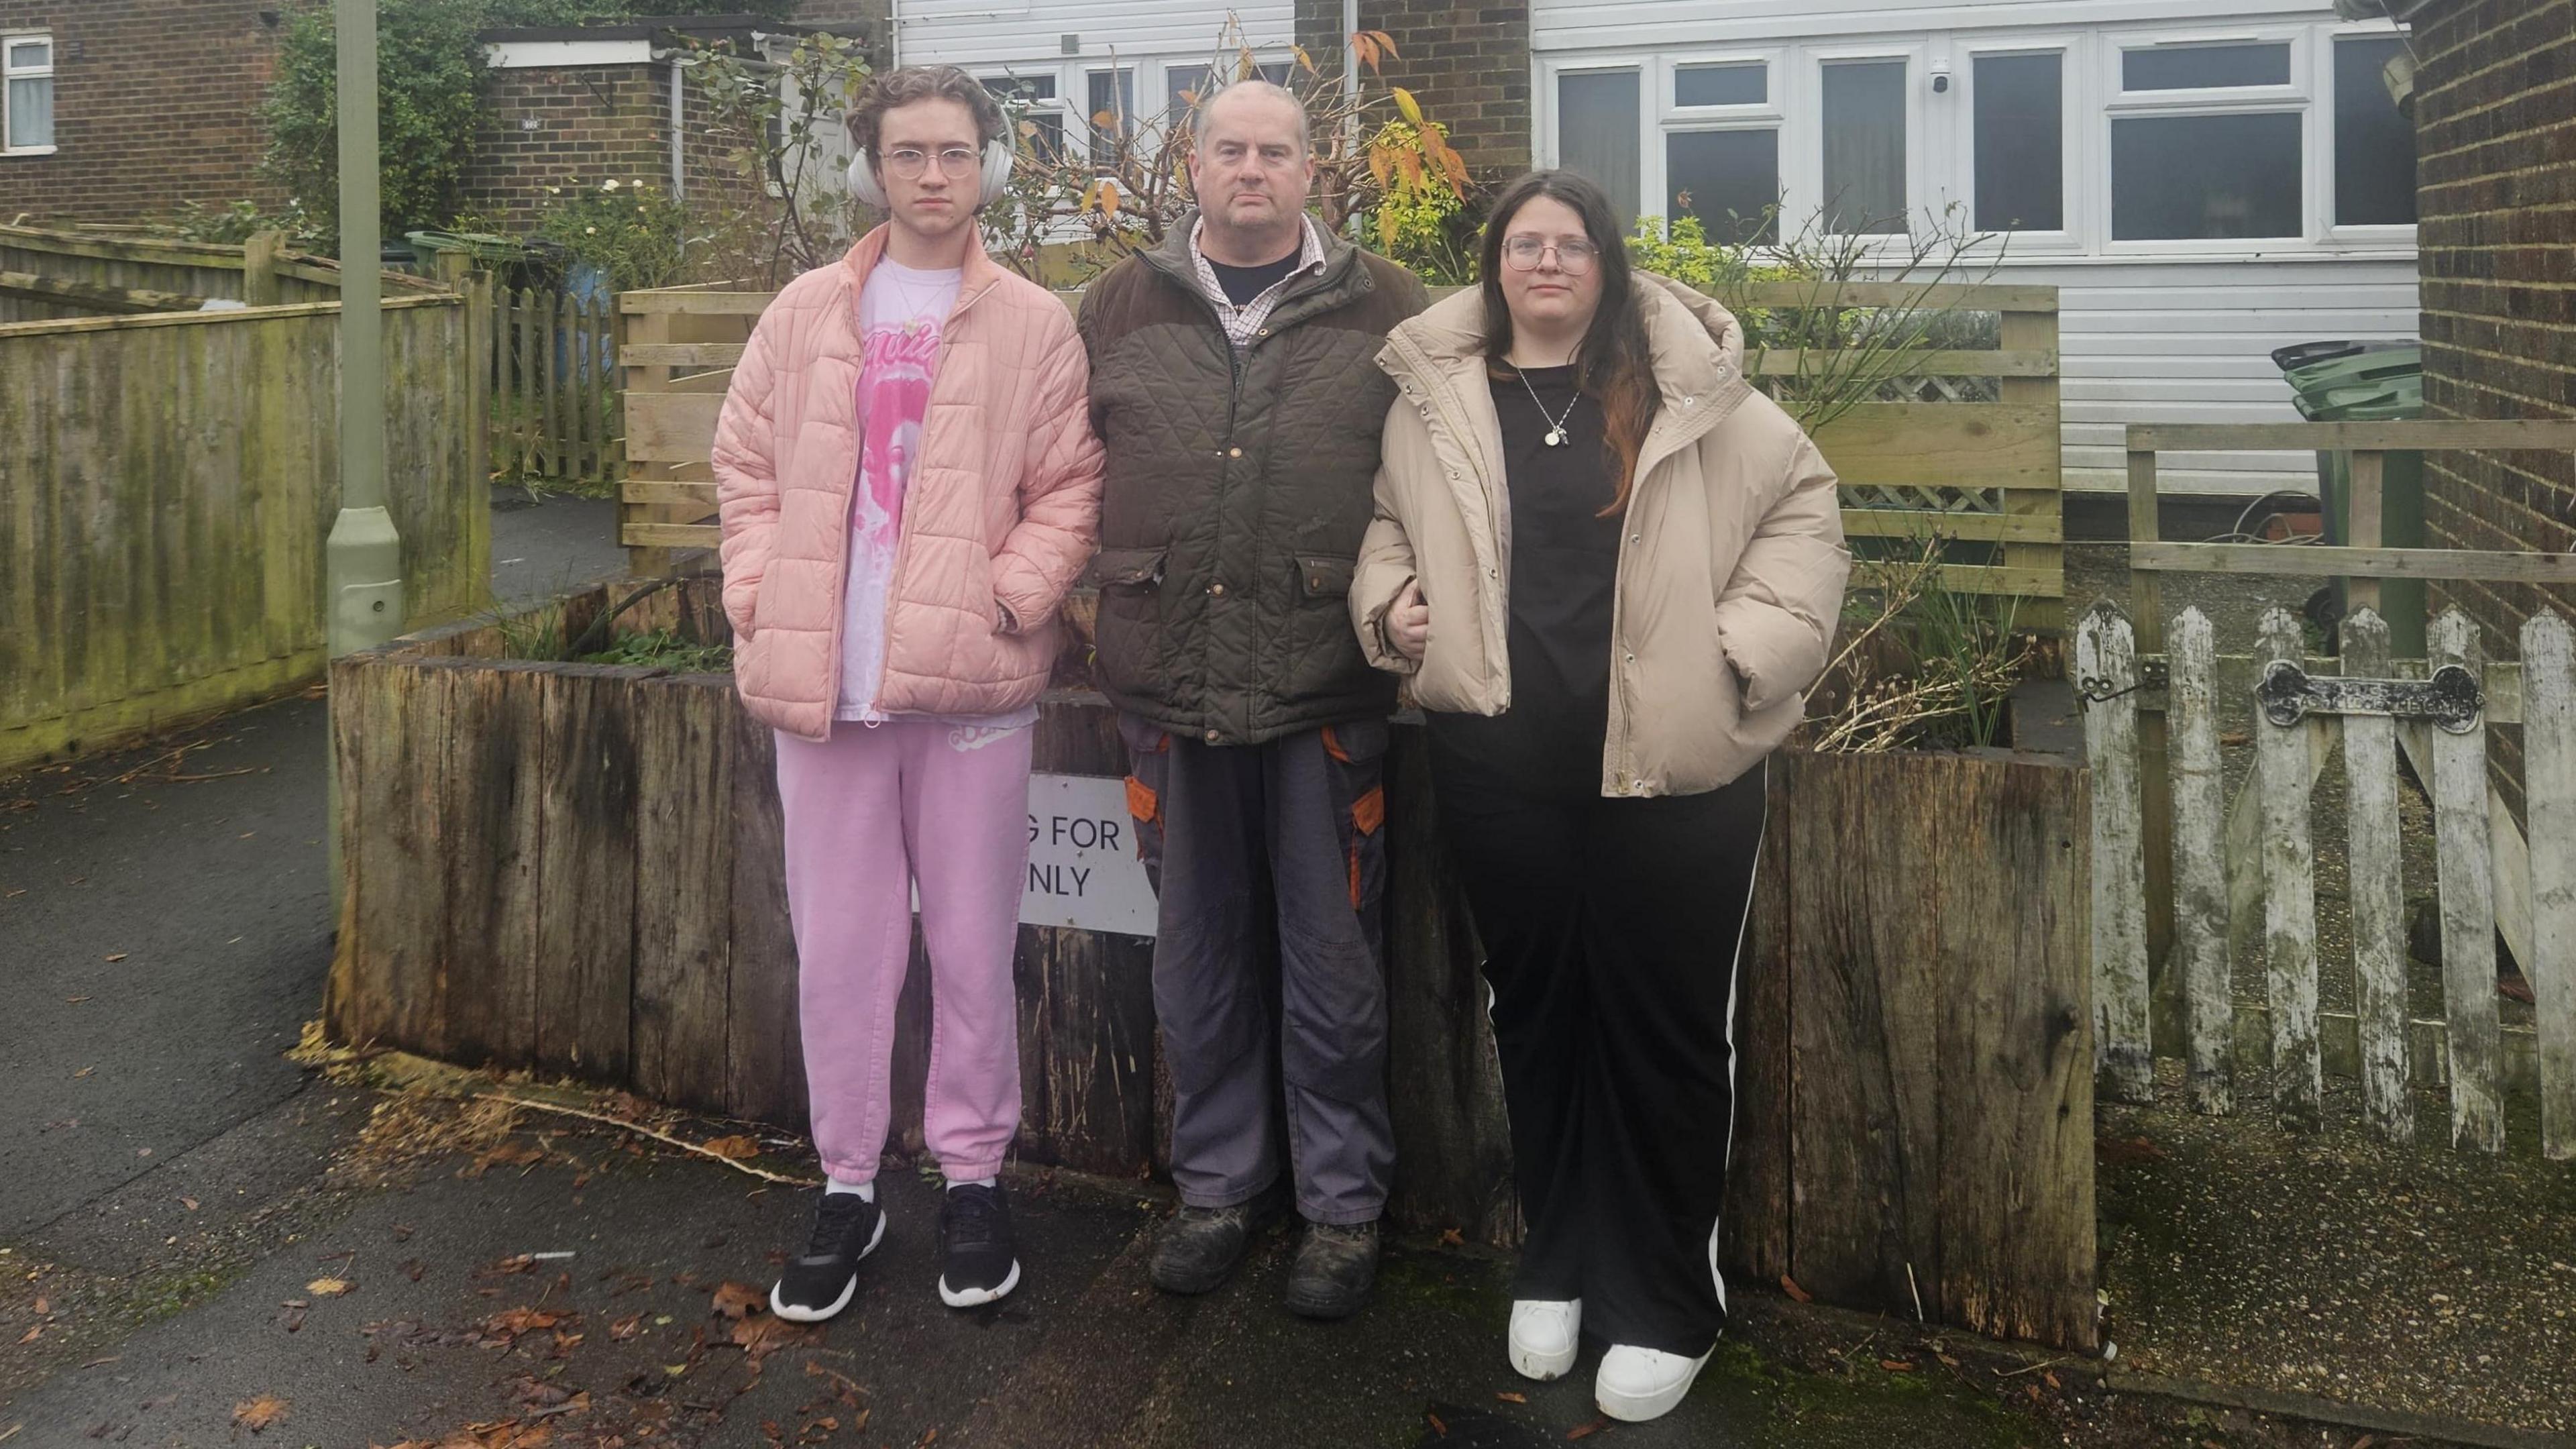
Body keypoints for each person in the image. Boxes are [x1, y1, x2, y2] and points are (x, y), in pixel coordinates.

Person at [1351, 170, 1849, 1421]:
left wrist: (1741, 656)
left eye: (1572, 244)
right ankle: (1560, 1257)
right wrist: (1388, 604)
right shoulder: (1439, 395)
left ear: (1608, 265)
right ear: (1494, 264)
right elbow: (1388, 523)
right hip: (1501, 769)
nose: (1548, 263)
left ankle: (1670, 1291)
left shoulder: (1694, 392)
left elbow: (1806, 514)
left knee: (1668, 1031)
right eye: (1525, 243)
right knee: (1537, 1015)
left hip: (1673, 775)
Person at [710, 64, 1102, 1323]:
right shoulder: (803, 312)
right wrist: (762, 596)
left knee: (976, 947)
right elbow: (742, 470)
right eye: (907, 154)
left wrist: (1010, 597)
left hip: (974, 690)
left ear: (987, 164)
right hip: (822, 688)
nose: (933, 174)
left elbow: (1071, 488)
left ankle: (974, 1177)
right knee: (840, 953)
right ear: (875, 168)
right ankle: (847, 1183)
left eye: (955, 152)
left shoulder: (1036, 323)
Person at [1078, 80, 1428, 1321]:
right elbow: (1058, 467)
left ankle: (1341, 1211)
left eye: (1275, 151)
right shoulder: (1121, 301)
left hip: (1322, 684)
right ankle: (1219, 1188)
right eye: (1230, 148)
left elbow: (1453, 473)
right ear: (1196, 163)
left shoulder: (1392, 307)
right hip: (1165, 682)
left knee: (1335, 962)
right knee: (1196, 955)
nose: (1251, 170)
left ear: (1312, 168)